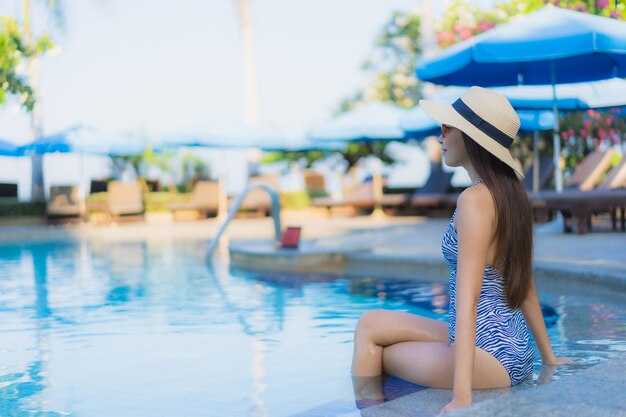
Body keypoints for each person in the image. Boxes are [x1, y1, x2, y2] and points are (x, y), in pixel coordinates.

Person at [351, 87, 571, 414]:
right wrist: (548, 358)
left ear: (470, 138)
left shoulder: (474, 201)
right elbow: (524, 286)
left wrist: (461, 395)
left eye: (447, 127)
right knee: (370, 323)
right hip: (514, 349)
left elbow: (467, 302)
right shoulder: (513, 197)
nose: (440, 136)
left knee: (378, 351)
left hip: (491, 356)